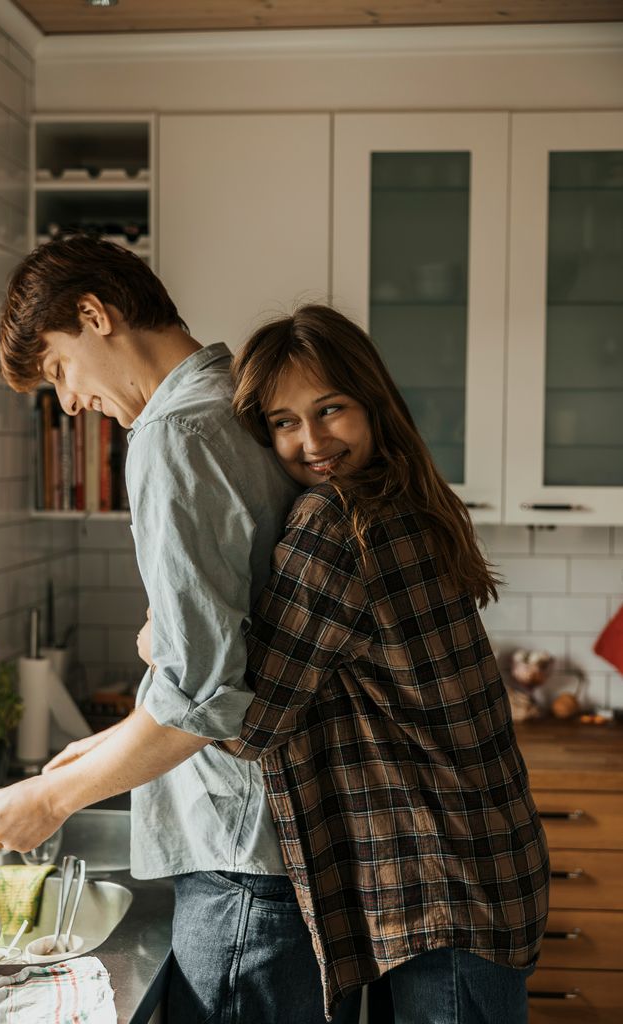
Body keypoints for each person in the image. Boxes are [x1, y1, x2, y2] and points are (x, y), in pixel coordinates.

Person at [0, 236, 362, 1023]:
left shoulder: (172, 435)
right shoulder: (240, 401)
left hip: (242, 864)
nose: (70, 403)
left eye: (57, 371)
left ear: (93, 314)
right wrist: (111, 742)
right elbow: (231, 646)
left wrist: (51, 798)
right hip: (296, 847)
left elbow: (209, 698)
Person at [200, 304, 549, 1023]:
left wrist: (161, 645)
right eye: (283, 422)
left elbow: (249, 729)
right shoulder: (413, 496)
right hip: (480, 873)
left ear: (373, 405)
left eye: (330, 410)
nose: (311, 440)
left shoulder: (334, 522)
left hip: (439, 895)